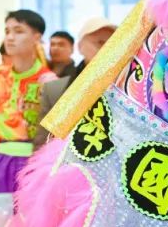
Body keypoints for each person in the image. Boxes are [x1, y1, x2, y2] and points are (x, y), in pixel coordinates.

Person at [0, 10, 55, 218]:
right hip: (2, 162)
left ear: (37, 37)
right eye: (7, 31)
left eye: (19, 31)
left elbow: (54, 134)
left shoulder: (49, 82)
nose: (10, 37)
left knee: (31, 222)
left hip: (35, 163)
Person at [33, 17, 116, 147]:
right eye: (100, 42)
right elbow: (43, 142)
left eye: (113, 42)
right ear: (80, 47)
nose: (107, 47)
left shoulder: (128, 88)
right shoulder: (54, 90)